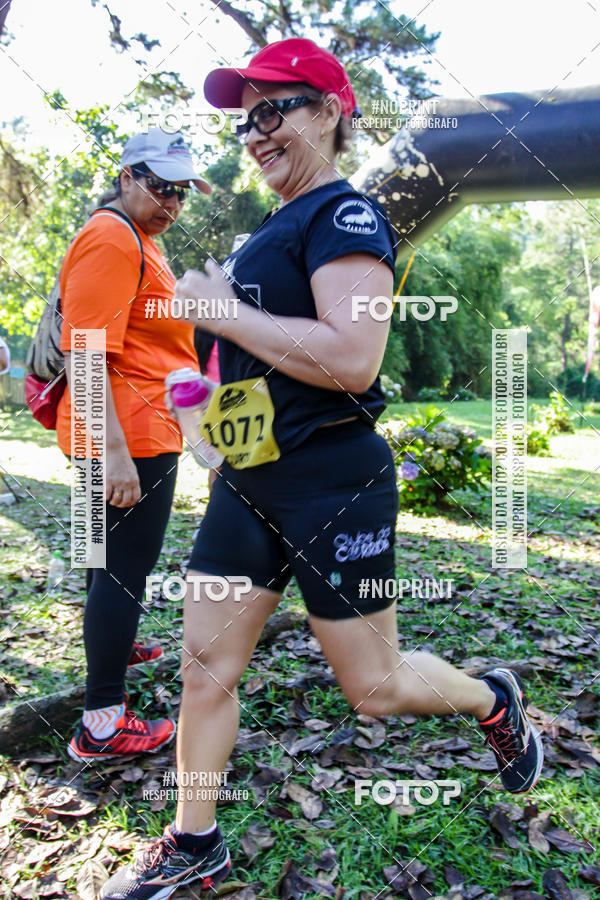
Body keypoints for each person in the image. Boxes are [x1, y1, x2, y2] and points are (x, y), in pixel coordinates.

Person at [99, 39, 543, 899]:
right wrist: (197, 414)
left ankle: (491, 699)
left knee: (373, 688)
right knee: (203, 667)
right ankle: (195, 842)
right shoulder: (262, 233)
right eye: (245, 118)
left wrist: (222, 306)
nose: (255, 132)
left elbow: (353, 357)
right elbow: (215, 364)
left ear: (330, 110)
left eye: (275, 109)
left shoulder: (345, 217)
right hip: (250, 479)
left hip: (335, 480)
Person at [57, 129, 212, 760]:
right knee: (124, 573)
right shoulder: (112, 236)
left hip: (133, 429)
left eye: (181, 192)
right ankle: (102, 723)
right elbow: (87, 353)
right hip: (127, 437)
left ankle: (114, 650)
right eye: (159, 186)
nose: (171, 202)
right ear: (126, 176)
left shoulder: (143, 240)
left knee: (104, 563)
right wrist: (115, 454)